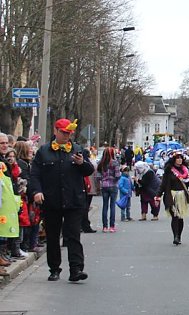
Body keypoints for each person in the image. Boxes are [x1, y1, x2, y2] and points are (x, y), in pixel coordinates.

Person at [29, 118, 95, 282]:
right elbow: (35, 175)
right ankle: (54, 269)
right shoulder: (43, 151)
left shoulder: (77, 149)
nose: (67, 136)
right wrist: (36, 191)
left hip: (74, 200)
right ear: (55, 131)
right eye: (64, 132)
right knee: (52, 236)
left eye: (69, 133)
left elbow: (89, 170)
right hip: (52, 201)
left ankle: (76, 269)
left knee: (73, 236)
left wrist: (82, 163)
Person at [158, 151, 189, 245]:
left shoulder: (185, 170)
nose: (180, 159)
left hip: (182, 197)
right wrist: (158, 195)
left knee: (180, 217)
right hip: (172, 196)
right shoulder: (169, 171)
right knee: (175, 216)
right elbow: (163, 184)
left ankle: (179, 236)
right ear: (174, 159)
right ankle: (175, 236)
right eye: (177, 158)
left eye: (181, 158)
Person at [97, 147, 121, 232]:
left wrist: (103, 181)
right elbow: (118, 175)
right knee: (112, 206)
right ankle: (112, 226)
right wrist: (114, 180)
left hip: (104, 186)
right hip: (113, 185)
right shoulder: (115, 163)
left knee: (105, 206)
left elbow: (98, 176)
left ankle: (104, 226)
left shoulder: (101, 163)